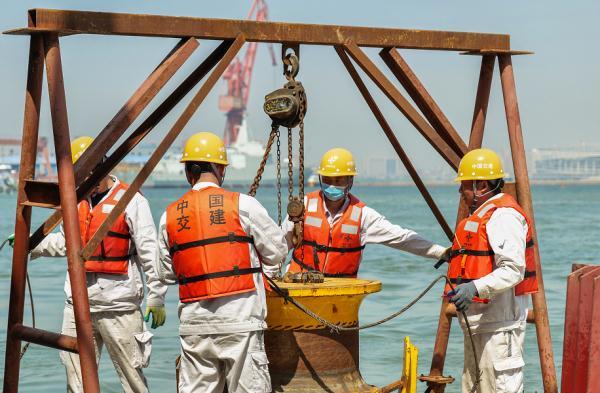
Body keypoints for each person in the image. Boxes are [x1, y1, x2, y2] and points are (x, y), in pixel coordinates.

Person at [29, 136, 167, 392]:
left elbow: (150, 253)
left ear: (101, 166)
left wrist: (156, 297)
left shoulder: (132, 201)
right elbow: (66, 243)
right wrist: (32, 243)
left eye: (86, 172)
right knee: (76, 381)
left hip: (120, 306)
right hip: (78, 307)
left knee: (133, 380)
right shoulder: (75, 200)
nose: (82, 180)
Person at [156, 132, 287, 393]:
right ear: (220, 169)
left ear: (187, 172)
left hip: (194, 324)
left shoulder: (169, 215)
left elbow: (165, 272)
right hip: (241, 320)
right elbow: (278, 251)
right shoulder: (243, 205)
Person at [445, 148, 538, 393]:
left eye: (464, 185)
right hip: (481, 327)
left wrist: (474, 287)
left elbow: (514, 269)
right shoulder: (485, 216)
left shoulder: (503, 216)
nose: (460, 192)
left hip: (500, 330)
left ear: (481, 185)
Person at [284, 147, 450, 278]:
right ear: (321, 179)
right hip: (299, 287)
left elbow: (401, 238)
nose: (332, 185)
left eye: (339, 180)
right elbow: (280, 243)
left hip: (340, 294)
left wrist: (441, 252)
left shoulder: (363, 216)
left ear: (350, 180)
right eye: (327, 180)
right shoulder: (304, 206)